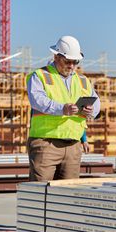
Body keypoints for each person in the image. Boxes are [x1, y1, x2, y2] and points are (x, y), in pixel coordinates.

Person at [26, 35, 100, 181]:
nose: (71, 66)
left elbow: (97, 103)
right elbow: (37, 100)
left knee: (67, 195)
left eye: (75, 62)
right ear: (56, 57)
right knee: (41, 193)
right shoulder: (40, 76)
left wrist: (91, 111)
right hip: (46, 143)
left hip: (73, 146)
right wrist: (62, 109)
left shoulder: (83, 81)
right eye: (68, 61)